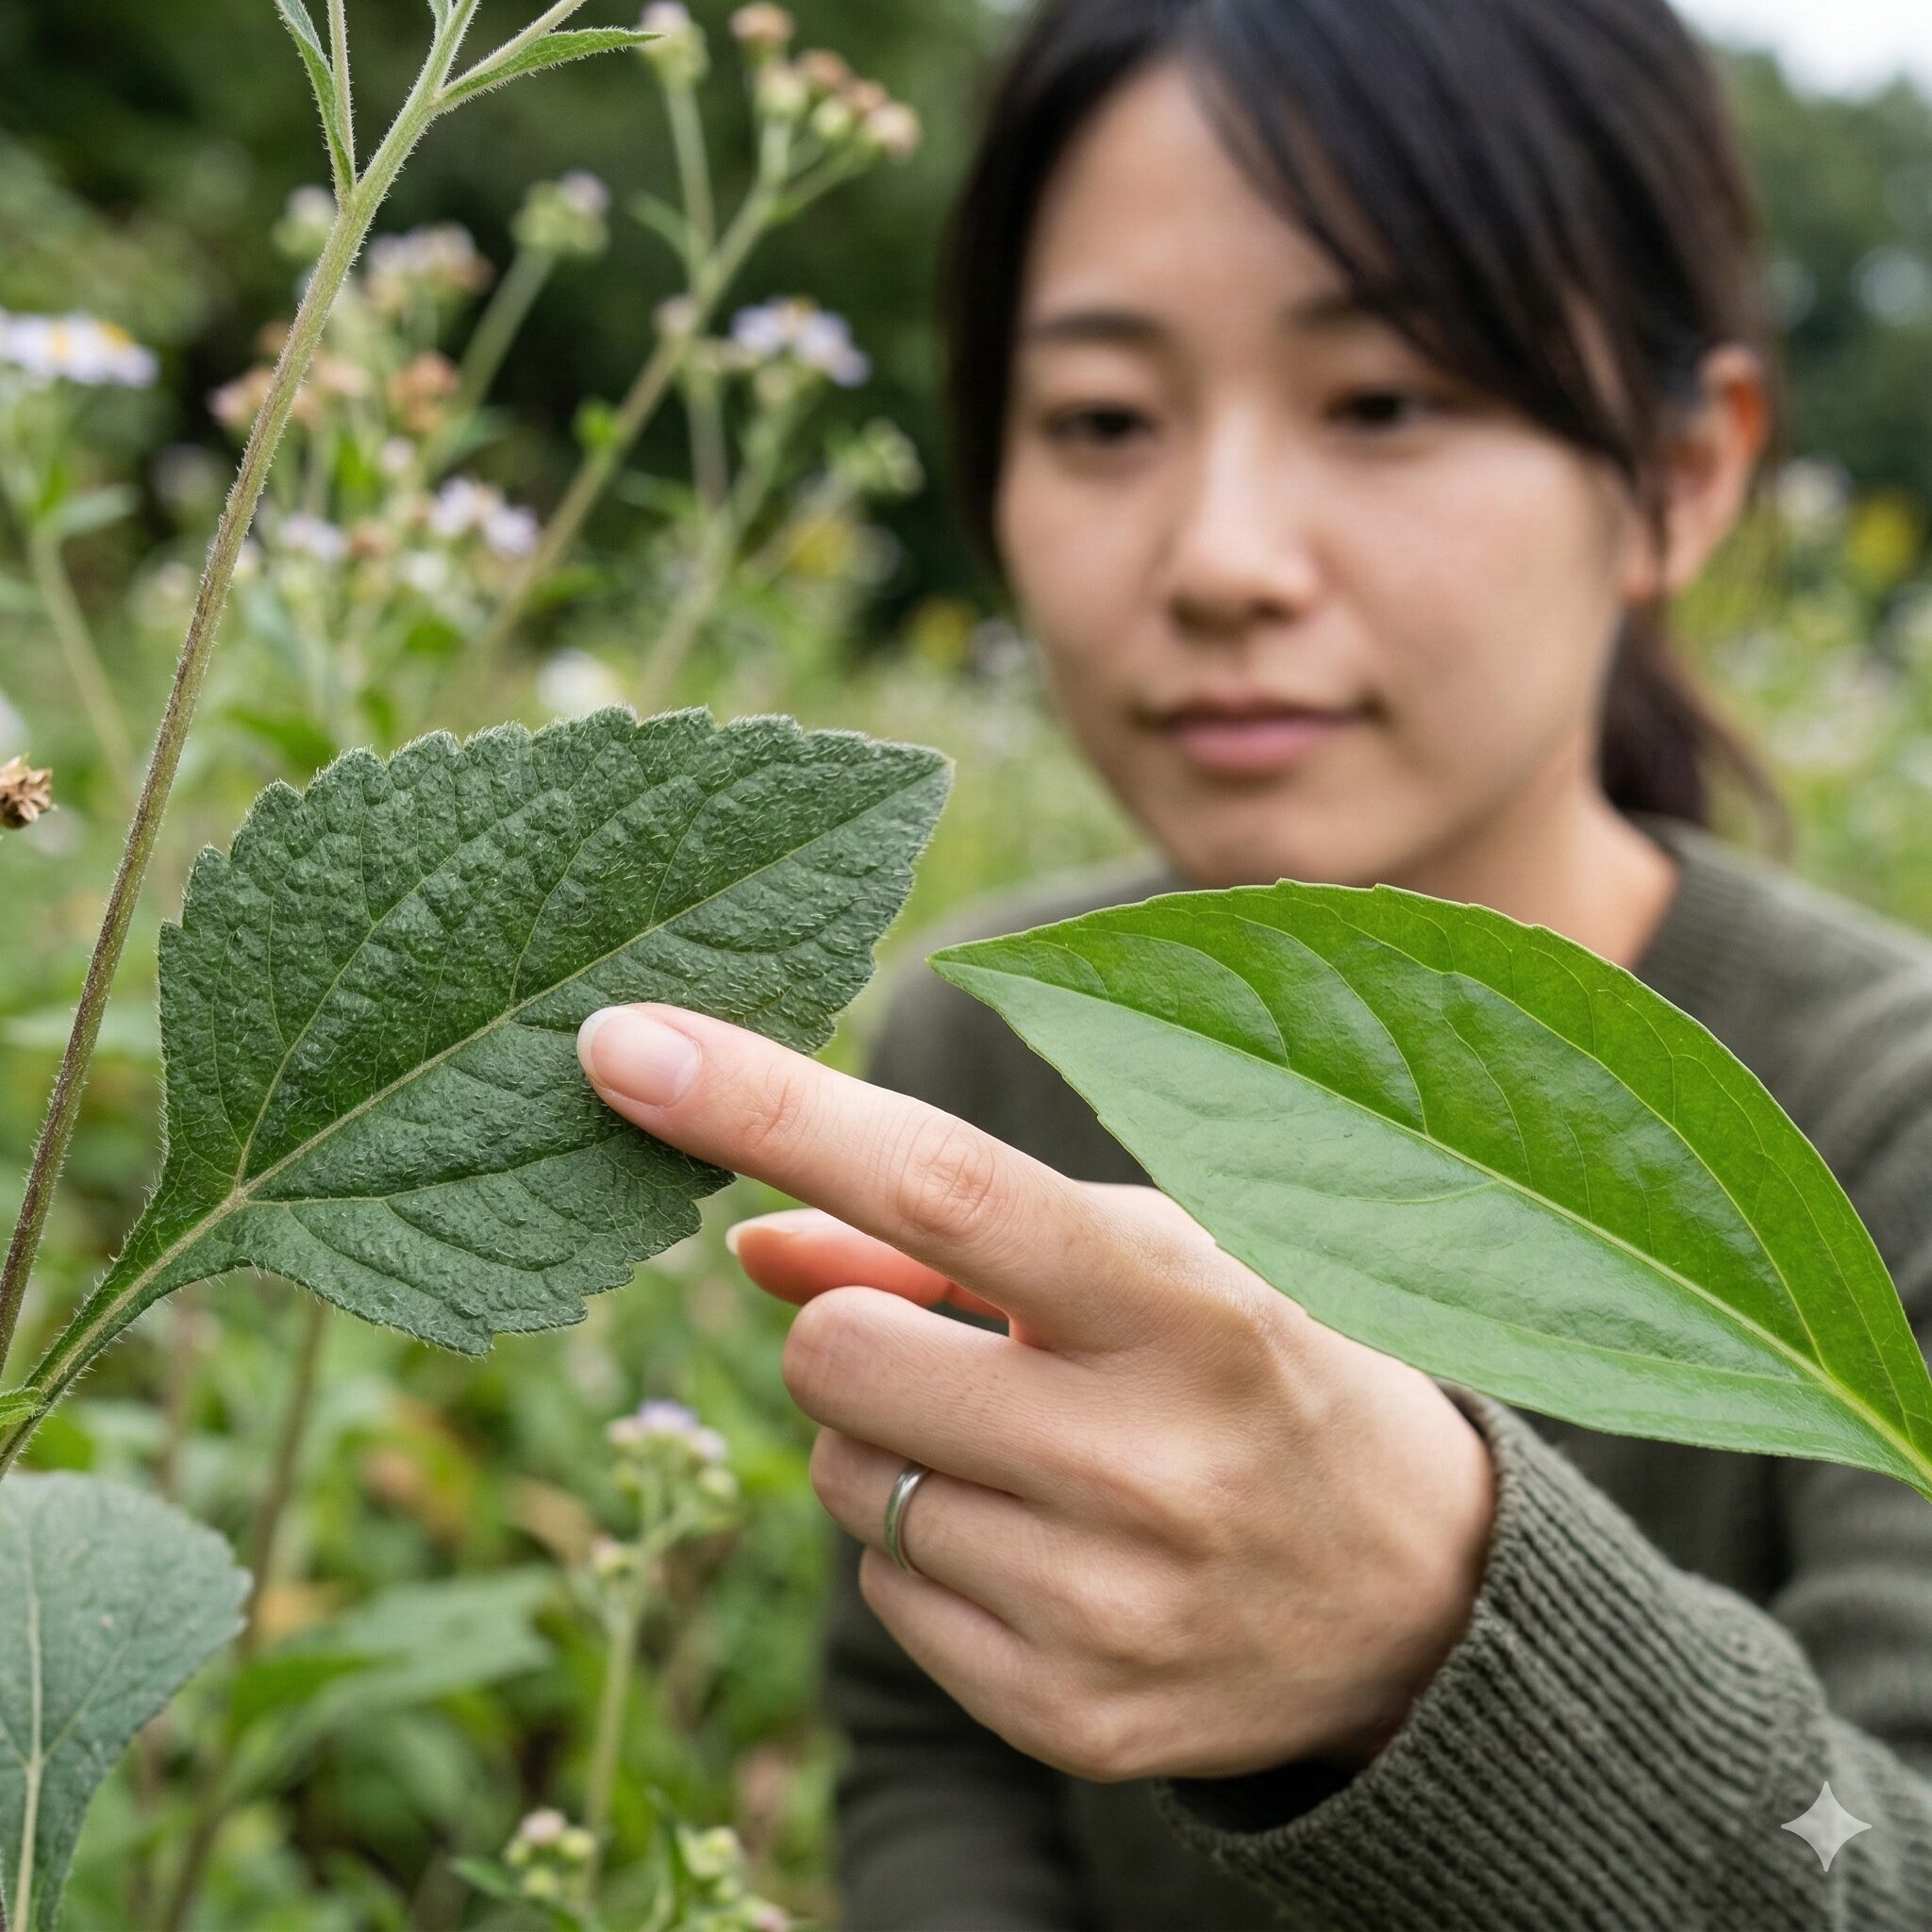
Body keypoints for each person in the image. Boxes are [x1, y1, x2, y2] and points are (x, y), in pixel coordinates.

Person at [573, 0, 1932, 1923]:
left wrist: (1436, 1633)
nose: (1218, 557)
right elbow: (928, 1747)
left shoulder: (1889, 1116)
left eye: (1382, 401)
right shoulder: (984, 1039)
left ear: (1683, 473)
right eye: (1103, 420)